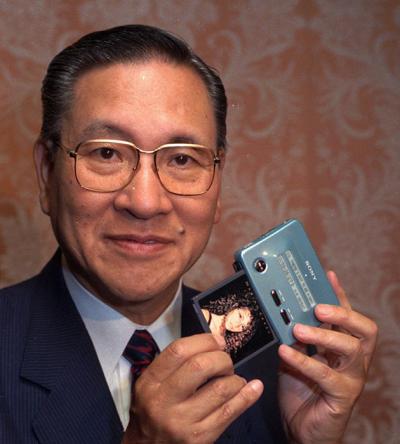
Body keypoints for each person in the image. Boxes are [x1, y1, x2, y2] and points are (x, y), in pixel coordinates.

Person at [0, 24, 378, 444]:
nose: (145, 202)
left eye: (181, 159)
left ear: (218, 184)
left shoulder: (283, 367)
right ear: (46, 173)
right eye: (106, 153)